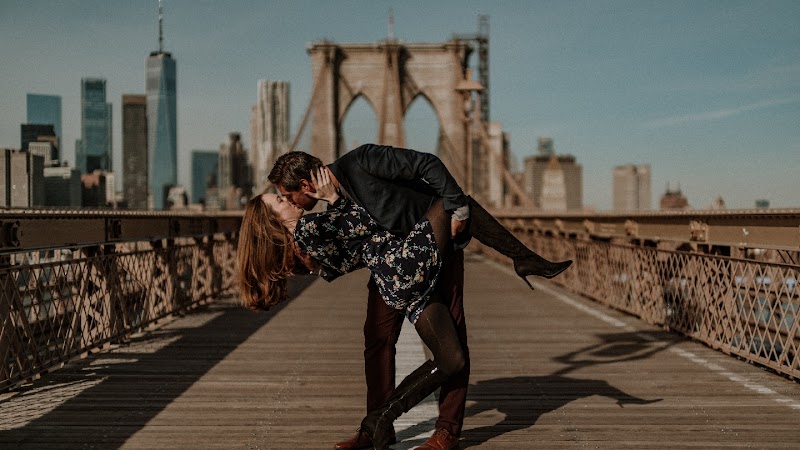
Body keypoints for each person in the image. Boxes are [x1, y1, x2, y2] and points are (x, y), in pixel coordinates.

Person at [237, 165, 572, 450]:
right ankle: (524, 259)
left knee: (451, 358)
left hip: (397, 284)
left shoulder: (304, 248)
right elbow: (365, 221)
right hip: (406, 266)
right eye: (279, 201)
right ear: (273, 221)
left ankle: (381, 419)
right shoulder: (311, 228)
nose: (288, 199)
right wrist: (333, 198)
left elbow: (346, 258)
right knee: (452, 201)